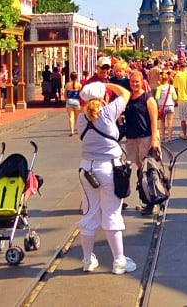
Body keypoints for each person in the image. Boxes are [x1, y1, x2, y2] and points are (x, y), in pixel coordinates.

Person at [76, 80, 136, 274]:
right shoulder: (108, 113)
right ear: (103, 97)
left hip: (87, 169)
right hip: (109, 168)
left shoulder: (80, 119)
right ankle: (119, 261)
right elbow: (126, 94)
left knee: (89, 213)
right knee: (111, 213)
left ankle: (87, 260)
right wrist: (108, 83)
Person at [124, 70, 161, 214]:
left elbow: (153, 120)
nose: (134, 84)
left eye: (137, 82)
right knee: (140, 169)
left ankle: (151, 201)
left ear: (142, 82)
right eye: (132, 81)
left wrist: (154, 139)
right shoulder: (128, 98)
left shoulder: (148, 98)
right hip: (132, 137)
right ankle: (146, 198)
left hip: (145, 137)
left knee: (148, 171)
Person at [155, 70, 177, 142]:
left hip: (162, 106)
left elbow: (157, 97)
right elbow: (175, 97)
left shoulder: (159, 88)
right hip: (170, 105)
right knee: (170, 122)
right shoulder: (171, 87)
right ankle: (169, 138)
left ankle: (163, 137)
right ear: (168, 79)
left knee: (162, 122)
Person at [64, 71, 82, 136]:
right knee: (77, 117)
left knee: (70, 117)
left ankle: (72, 131)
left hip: (69, 101)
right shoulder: (79, 85)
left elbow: (65, 94)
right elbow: (81, 94)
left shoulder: (67, 84)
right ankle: (78, 130)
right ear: (76, 77)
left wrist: (66, 100)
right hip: (76, 101)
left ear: (70, 77)